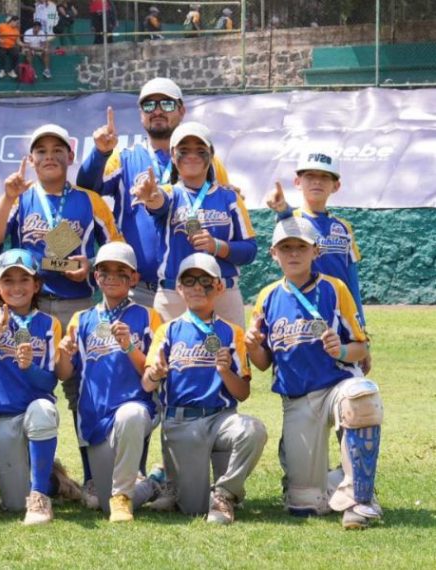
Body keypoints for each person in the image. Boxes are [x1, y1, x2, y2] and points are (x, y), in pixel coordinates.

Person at [247, 217, 382, 530]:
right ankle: (337, 478)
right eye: (286, 247)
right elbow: (264, 363)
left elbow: (361, 349)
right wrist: (253, 346)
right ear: (274, 254)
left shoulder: (334, 289)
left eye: (301, 247)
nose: (294, 254)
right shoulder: (267, 297)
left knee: (361, 397)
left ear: (315, 251)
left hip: (336, 386)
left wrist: (342, 351)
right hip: (297, 399)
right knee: (306, 505)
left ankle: (360, 498)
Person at [77, 77, 232, 309]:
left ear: (181, 110)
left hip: (196, 287)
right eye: (149, 105)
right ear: (141, 113)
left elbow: (224, 217)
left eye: (166, 104)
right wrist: (100, 153)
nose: (157, 111)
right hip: (141, 290)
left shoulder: (207, 162)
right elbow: (88, 188)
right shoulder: (125, 158)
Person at [143, 253, 268, 523]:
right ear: (179, 288)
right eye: (189, 281)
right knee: (193, 509)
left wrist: (225, 372)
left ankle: (225, 492)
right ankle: (160, 483)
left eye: (206, 281)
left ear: (220, 287)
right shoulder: (168, 330)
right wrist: (155, 373)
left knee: (253, 430)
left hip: (221, 419)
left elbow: (242, 393)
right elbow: (146, 382)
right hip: (181, 422)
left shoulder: (231, 332)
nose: (198, 287)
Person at [57, 242, 161, 522]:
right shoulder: (82, 319)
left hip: (133, 409)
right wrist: (64, 355)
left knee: (132, 414)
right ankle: (151, 484)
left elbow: (151, 373)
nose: (112, 277)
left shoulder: (148, 316)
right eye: (105, 271)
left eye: (121, 271)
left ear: (134, 278)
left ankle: (124, 496)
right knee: (100, 505)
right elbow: (66, 374)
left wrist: (129, 346)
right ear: (96, 276)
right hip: (94, 418)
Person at [0, 124, 120, 328]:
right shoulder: (18, 199)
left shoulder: (91, 200)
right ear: (31, 160)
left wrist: (90, 265)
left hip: (77, 305)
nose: (49, 156)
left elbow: (117, 251)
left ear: (71, 156)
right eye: (41, 151)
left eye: (57, 150)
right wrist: (7, 198)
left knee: (74, 359)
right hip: (28, 305)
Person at [136, 122, 256, 328]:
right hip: (175, 295)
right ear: (173, 156)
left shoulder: (230, 198)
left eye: (200, 150)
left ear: (211, 155)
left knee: (228, 357)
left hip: (222, 293)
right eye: (184, 150)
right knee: (170, 358)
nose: (192, 155)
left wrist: (217, 246)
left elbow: (250, 250)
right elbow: (158, 204)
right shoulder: (170, 194)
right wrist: (150, 198)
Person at [0, 249, 63, 524]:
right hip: (2, 414)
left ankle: (40, 495)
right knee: (14, 503)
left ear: (36, 285)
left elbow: (50, 381)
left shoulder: (49, 324)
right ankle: (54, 480)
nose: (16, 287)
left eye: (24, 279)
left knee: (42, 409)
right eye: (8, 281)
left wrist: (29, 367)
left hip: (34, 410)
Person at [264, 149, 369, 373]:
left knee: (342, 368)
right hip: (302, 309)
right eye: (310, 176)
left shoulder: (343, 227)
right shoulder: (294, 220)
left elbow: (353, 282)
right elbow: (285, 217)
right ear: (297, 181)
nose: (317, 182)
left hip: (340, 309)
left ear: (336, 186)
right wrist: (281, 207)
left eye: (325, 177)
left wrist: (363, 332)